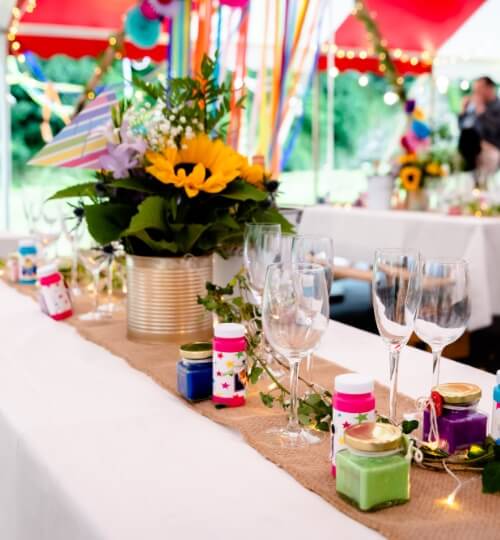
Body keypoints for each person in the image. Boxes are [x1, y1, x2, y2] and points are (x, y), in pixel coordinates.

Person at [458, 76, 500, 182]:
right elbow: (463, 127)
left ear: (490, 88)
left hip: (492, 153)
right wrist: (463, 111)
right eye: (475, 90)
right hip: (472, 153)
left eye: (479, 89)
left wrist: (481, 112)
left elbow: (494, 130)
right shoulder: (474, 106)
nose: (476, 93)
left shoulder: (497, 107)